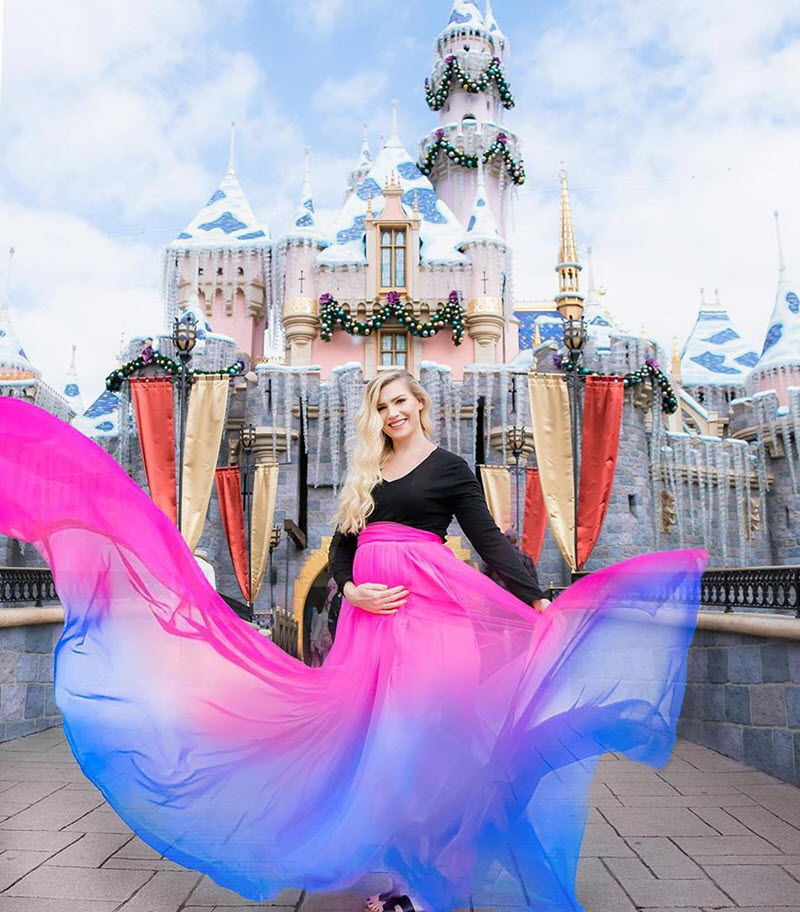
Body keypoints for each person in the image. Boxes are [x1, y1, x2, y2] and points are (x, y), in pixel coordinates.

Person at [0, 389, 706, 912]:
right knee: (376, 748)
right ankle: (409, 873)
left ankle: (421, 888)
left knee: (417, 747)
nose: (394, 412)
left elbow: (488, 540)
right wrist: (353, 591)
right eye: (383, 405)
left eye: (402, 401)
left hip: (431, 621)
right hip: (371, 627)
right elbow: (341, 550)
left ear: (421, 405)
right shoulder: (368, 475)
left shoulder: (451, 467)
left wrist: (537, 595)